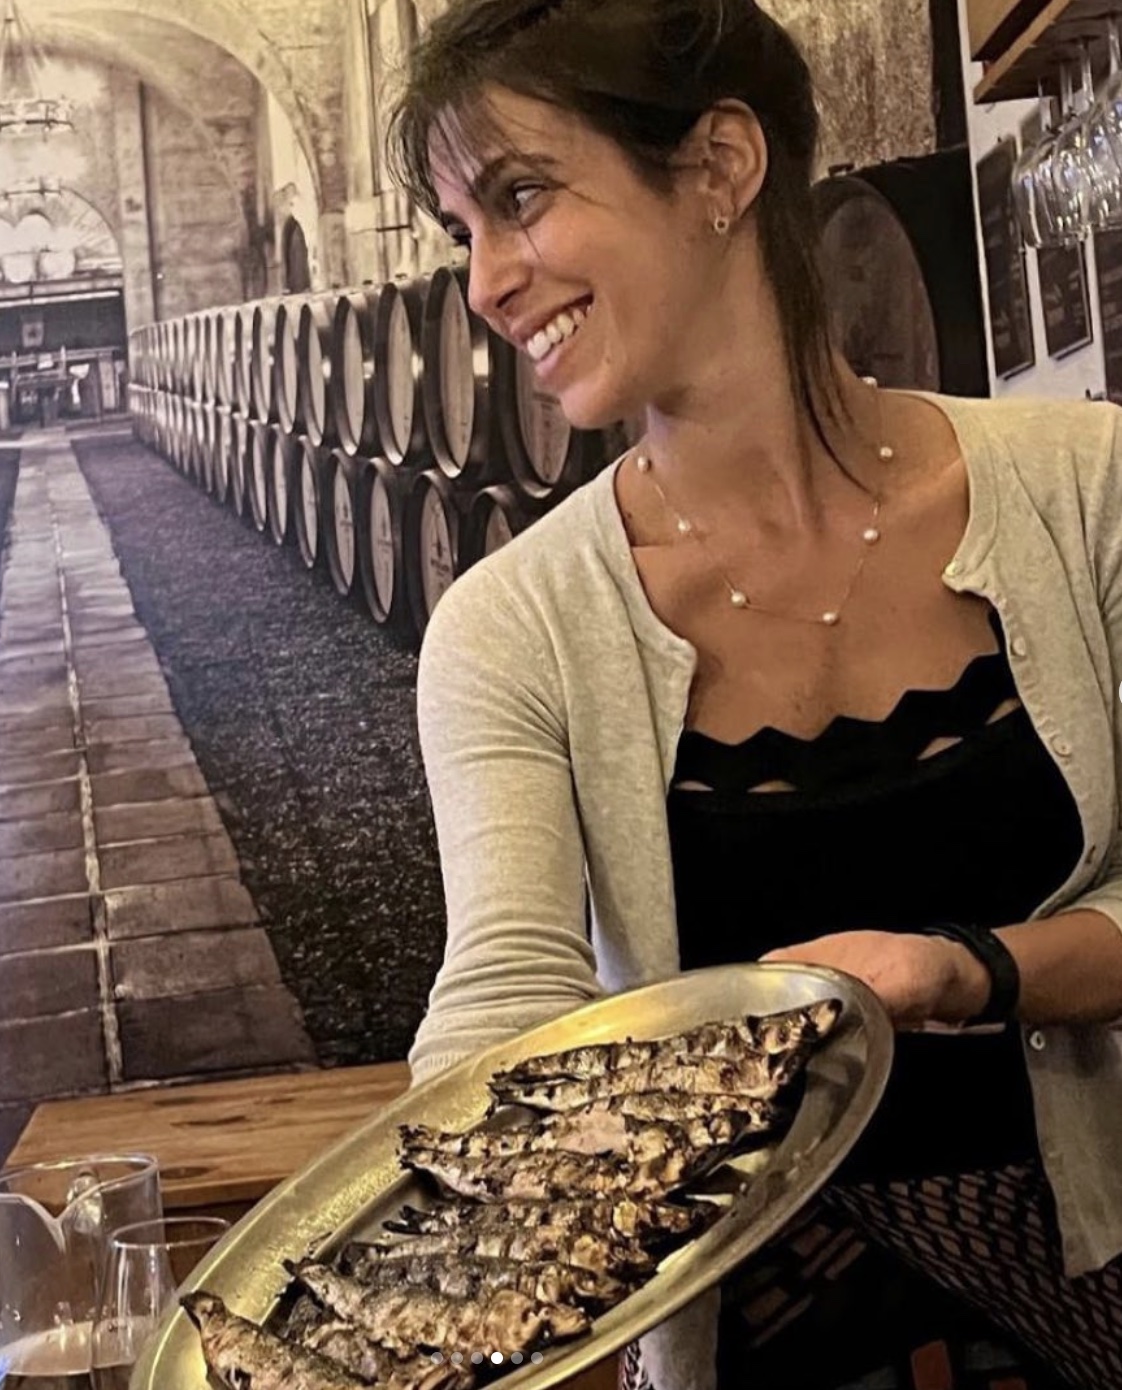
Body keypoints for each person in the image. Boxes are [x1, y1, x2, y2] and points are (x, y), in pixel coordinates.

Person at [385, 1, 1122, 1387]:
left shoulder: (1087, 490)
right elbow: (507, 989)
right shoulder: (509, 624)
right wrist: (429, 1257)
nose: (483, 283)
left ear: (719, 167)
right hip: (758, 1332)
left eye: (520, 197)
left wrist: (971, 969)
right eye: (459, 234)